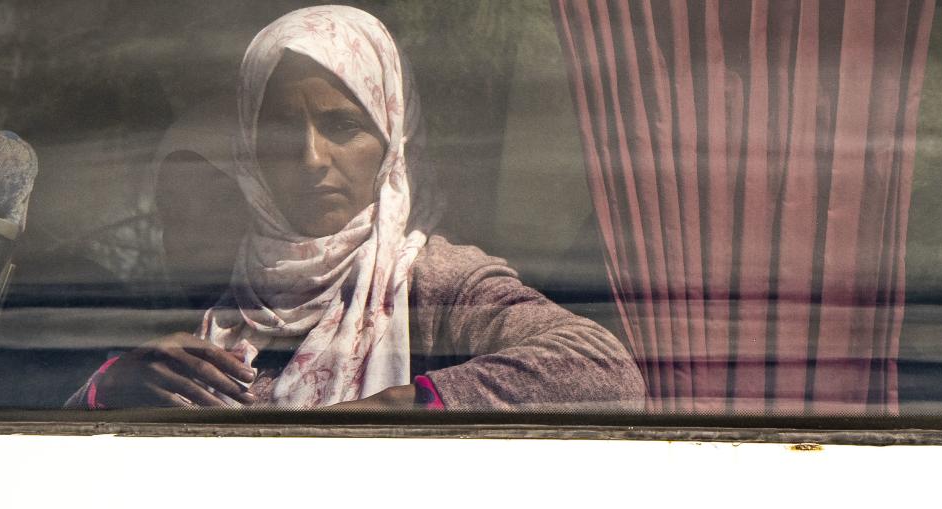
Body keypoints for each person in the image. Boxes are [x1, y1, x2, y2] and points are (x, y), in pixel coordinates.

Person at [78, 4, 644, 412]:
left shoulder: (429, 280)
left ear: (392, 141)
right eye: (279, 129)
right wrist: (112, 385)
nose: (309, 158)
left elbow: (605, 371)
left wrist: (406, 408)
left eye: (343, 126)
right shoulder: (228, 288)